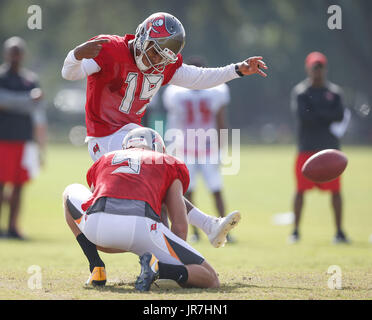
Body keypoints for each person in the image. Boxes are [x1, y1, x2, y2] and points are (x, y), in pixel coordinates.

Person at [61, 12, 266, 274]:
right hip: (103, 136)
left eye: (164, 57)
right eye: (155, 52)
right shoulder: (110, 49)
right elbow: (70, 73)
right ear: (143, 38)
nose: (157, 61)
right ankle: (182, 246)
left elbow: (199, 78)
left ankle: (204, 228)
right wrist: (76, 54)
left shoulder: (164, 66)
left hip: (132, 132)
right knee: (157, 178)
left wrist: (237, 70)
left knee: (163, 181)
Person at [63, 128, 224, 290]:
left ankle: (96, 266)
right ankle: (159, 269)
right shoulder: (167, 162)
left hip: (98, 232)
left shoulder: (105, 159)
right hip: (142, 229)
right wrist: (173, 260)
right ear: (158, 147)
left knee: (69, 192)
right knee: (210, 278)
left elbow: (91, 201)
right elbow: (179, 223)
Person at [163, 56, 234, 243]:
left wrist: (171, 144)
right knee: (213, 189)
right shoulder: (216, 90)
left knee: (188, 191)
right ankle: (220, 231)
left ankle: (195, 232)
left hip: (186, 147)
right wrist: (223, 145)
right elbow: (220, 120)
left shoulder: (175, 92)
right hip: (206, 146)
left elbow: (173, 121)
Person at [289, 51, 350, 244]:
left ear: (325, 68)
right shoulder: (302, 92)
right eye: (315, 67)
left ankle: (339, 232)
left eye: (320, 66)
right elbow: (305, 117)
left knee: (336, 192)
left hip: (330, 149)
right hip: (306, 148)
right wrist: (325, 115)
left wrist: (317, 114)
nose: (318, 70)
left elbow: (339, 115)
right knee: (300, 191)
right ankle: (296, 231)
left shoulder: (335, 92)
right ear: (308, 68)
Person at [0, 36, 47, 239]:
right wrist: (27, 100)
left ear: (23, 54)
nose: (15, 55)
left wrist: (41, 146)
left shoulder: (30, 80)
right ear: (6, 53)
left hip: (23, 140)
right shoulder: (1, 77)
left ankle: (13, 227)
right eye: (12, 51)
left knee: (19, 186)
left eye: (18, 51)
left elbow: (36, 111)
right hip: (2, 139)